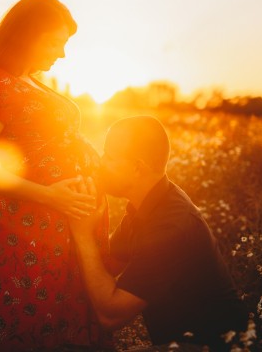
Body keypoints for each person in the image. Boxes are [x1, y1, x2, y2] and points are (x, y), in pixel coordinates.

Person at [0, 0, 112, 351]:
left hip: (64, 227)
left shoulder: (31, 82)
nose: (61, 54)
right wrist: (52, 196)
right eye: (56, 43)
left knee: (66, 325)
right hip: (27, 232)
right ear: (29, 34)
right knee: (31, 326)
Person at [69, 116, 248, 351]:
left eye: (109, 157)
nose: (100, 163)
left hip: (214, 346)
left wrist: (83, 234)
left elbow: (110, 316)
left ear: (137, 167)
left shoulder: (170, 226)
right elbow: (108, 264)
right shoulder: (146, 205)